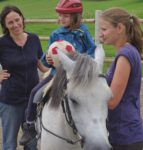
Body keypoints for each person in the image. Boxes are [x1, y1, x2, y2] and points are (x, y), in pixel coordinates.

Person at [19, 0, 96, 146]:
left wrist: (81, 60)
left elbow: (92, 51)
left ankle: (98, 126)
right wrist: (47, 58)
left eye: (65, 16)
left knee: (94, 96)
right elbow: (46, 59)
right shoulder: (56, 34)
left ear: (76, 16)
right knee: (35, 92)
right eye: (60, 15)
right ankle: (29, 126)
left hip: (77, 76)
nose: (61, 18)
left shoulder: (83, 32)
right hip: (57, 75)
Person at [0, 5, 48, 150]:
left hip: (32, 102)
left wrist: (54, 73)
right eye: (10, 23)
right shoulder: (2, 44)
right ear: (5, 26)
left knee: (32, 144)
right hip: (10, 102)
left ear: (22, 18)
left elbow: (39, 64)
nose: (15, 25)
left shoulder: (33, 39)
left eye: (17, 19)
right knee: (9, 144)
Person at [99, 7, 143, 150]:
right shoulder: (128, 51)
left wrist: (89, 93)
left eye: (104, 29)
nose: (101, 34)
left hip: (125, 137)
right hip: (125, 133)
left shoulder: (125, 55)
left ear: (119, 28)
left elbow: (112, 101)